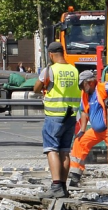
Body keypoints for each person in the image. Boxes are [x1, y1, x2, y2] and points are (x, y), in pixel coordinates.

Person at [33, 41, 80, 198]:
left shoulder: (50, 70)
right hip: (71, 116)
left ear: (51, 55)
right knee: (65, 151)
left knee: (51, 149)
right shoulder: (74, 70)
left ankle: (55, 186)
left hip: (54, 116)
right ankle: (63, 188)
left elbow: (36, 88)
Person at [68, 70, 108, 189]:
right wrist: (82, 130)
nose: (80, 87)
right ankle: (75, 174)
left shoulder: (102, 88)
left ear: (89, 82)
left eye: (82, 84)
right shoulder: (85, 94)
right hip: (97, 131)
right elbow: (84, 112)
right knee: (79, 142)